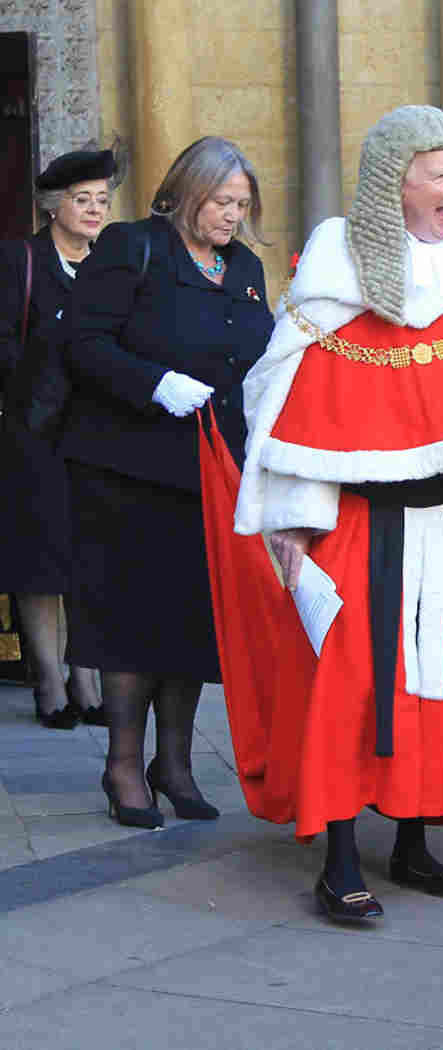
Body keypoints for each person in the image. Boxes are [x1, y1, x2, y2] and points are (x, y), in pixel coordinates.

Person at [231, 105, 443, 924]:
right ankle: (339, 861)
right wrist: (296, 522)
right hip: (355, 523)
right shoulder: (338, 267)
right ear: (395, 180)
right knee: (346, 692)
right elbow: (281, 390)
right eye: (441, 171)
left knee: (437, 689)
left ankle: (413, 843)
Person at [63, 136, 274, 828]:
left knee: (190, 625)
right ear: (186, 193)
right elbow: (84, 342)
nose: (231, 217)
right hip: (126, 471)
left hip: (208, 475)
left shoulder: (242, 267)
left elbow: (258, 359)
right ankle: (124, 765)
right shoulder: (132, 247)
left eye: (241, 205)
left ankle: (174, 764)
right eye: (220, 202)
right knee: (129, 625)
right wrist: (154, 383)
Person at [0, 144, 119, 729]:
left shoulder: (110, 266)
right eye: (82, 200)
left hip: (96, 434)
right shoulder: (19, 261)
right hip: (34, 433)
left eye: (101, 200)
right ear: (54, 206)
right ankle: (49, 680)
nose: (94, 210)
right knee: (41, 560)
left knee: (86, 559)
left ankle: (86, 678)